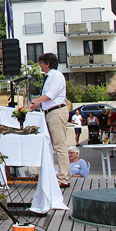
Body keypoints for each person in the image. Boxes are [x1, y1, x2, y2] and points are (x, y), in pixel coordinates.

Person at [29, 53, 70, 188]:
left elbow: (50, 96)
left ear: (47, 64)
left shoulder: (56, 76)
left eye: (41, 63)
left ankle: (64, 177)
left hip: (56, 111)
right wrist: (35, 105)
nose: (40, 65)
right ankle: (53, 175)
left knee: (59, 145)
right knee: (50, 145)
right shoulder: (49, 77)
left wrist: (35, 101)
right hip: (49, 112)